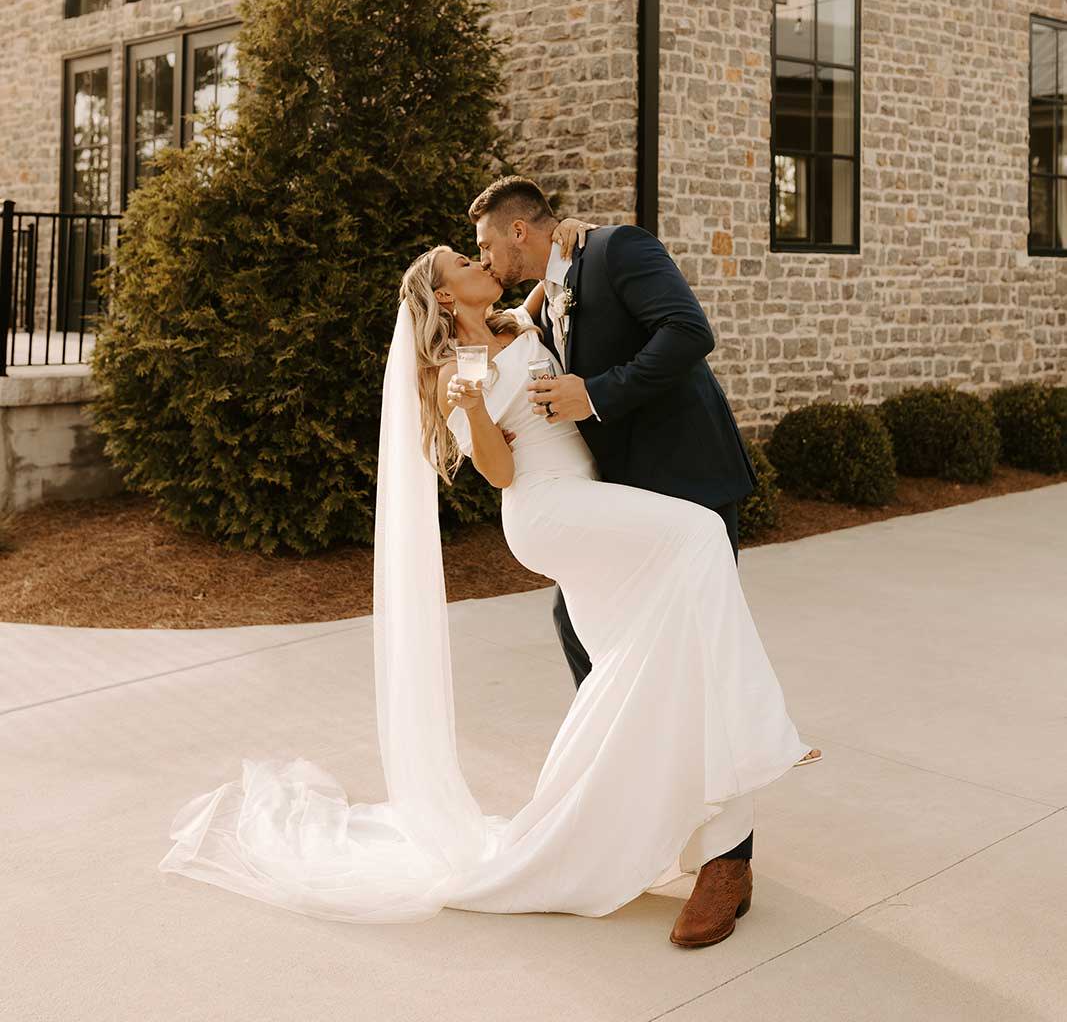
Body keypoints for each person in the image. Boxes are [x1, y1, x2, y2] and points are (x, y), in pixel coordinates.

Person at [158, 198, 815, 943]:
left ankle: (616, 834)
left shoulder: (516, 321)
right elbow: (500, 473)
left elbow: (561, 284)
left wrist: (569, 241)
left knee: (636, 673)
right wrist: (470, 410)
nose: (480, 262)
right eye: (464, 262)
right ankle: (764, 735)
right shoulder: (457, 367)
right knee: (698, 538)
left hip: (595, 501)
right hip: (549, 509)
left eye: (479, 249)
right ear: (443, 296)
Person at [469, 176, 819, 946]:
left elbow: (687, 333)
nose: (483, 255)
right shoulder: (545, 293)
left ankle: (728, 862)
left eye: (487, 242)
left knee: (693, 659)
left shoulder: (619, 247)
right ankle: (637, 802)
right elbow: (534, 329)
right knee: (590, 643)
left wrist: (595, 394)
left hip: (687, 486)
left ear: (519, 231)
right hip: (624, 508)